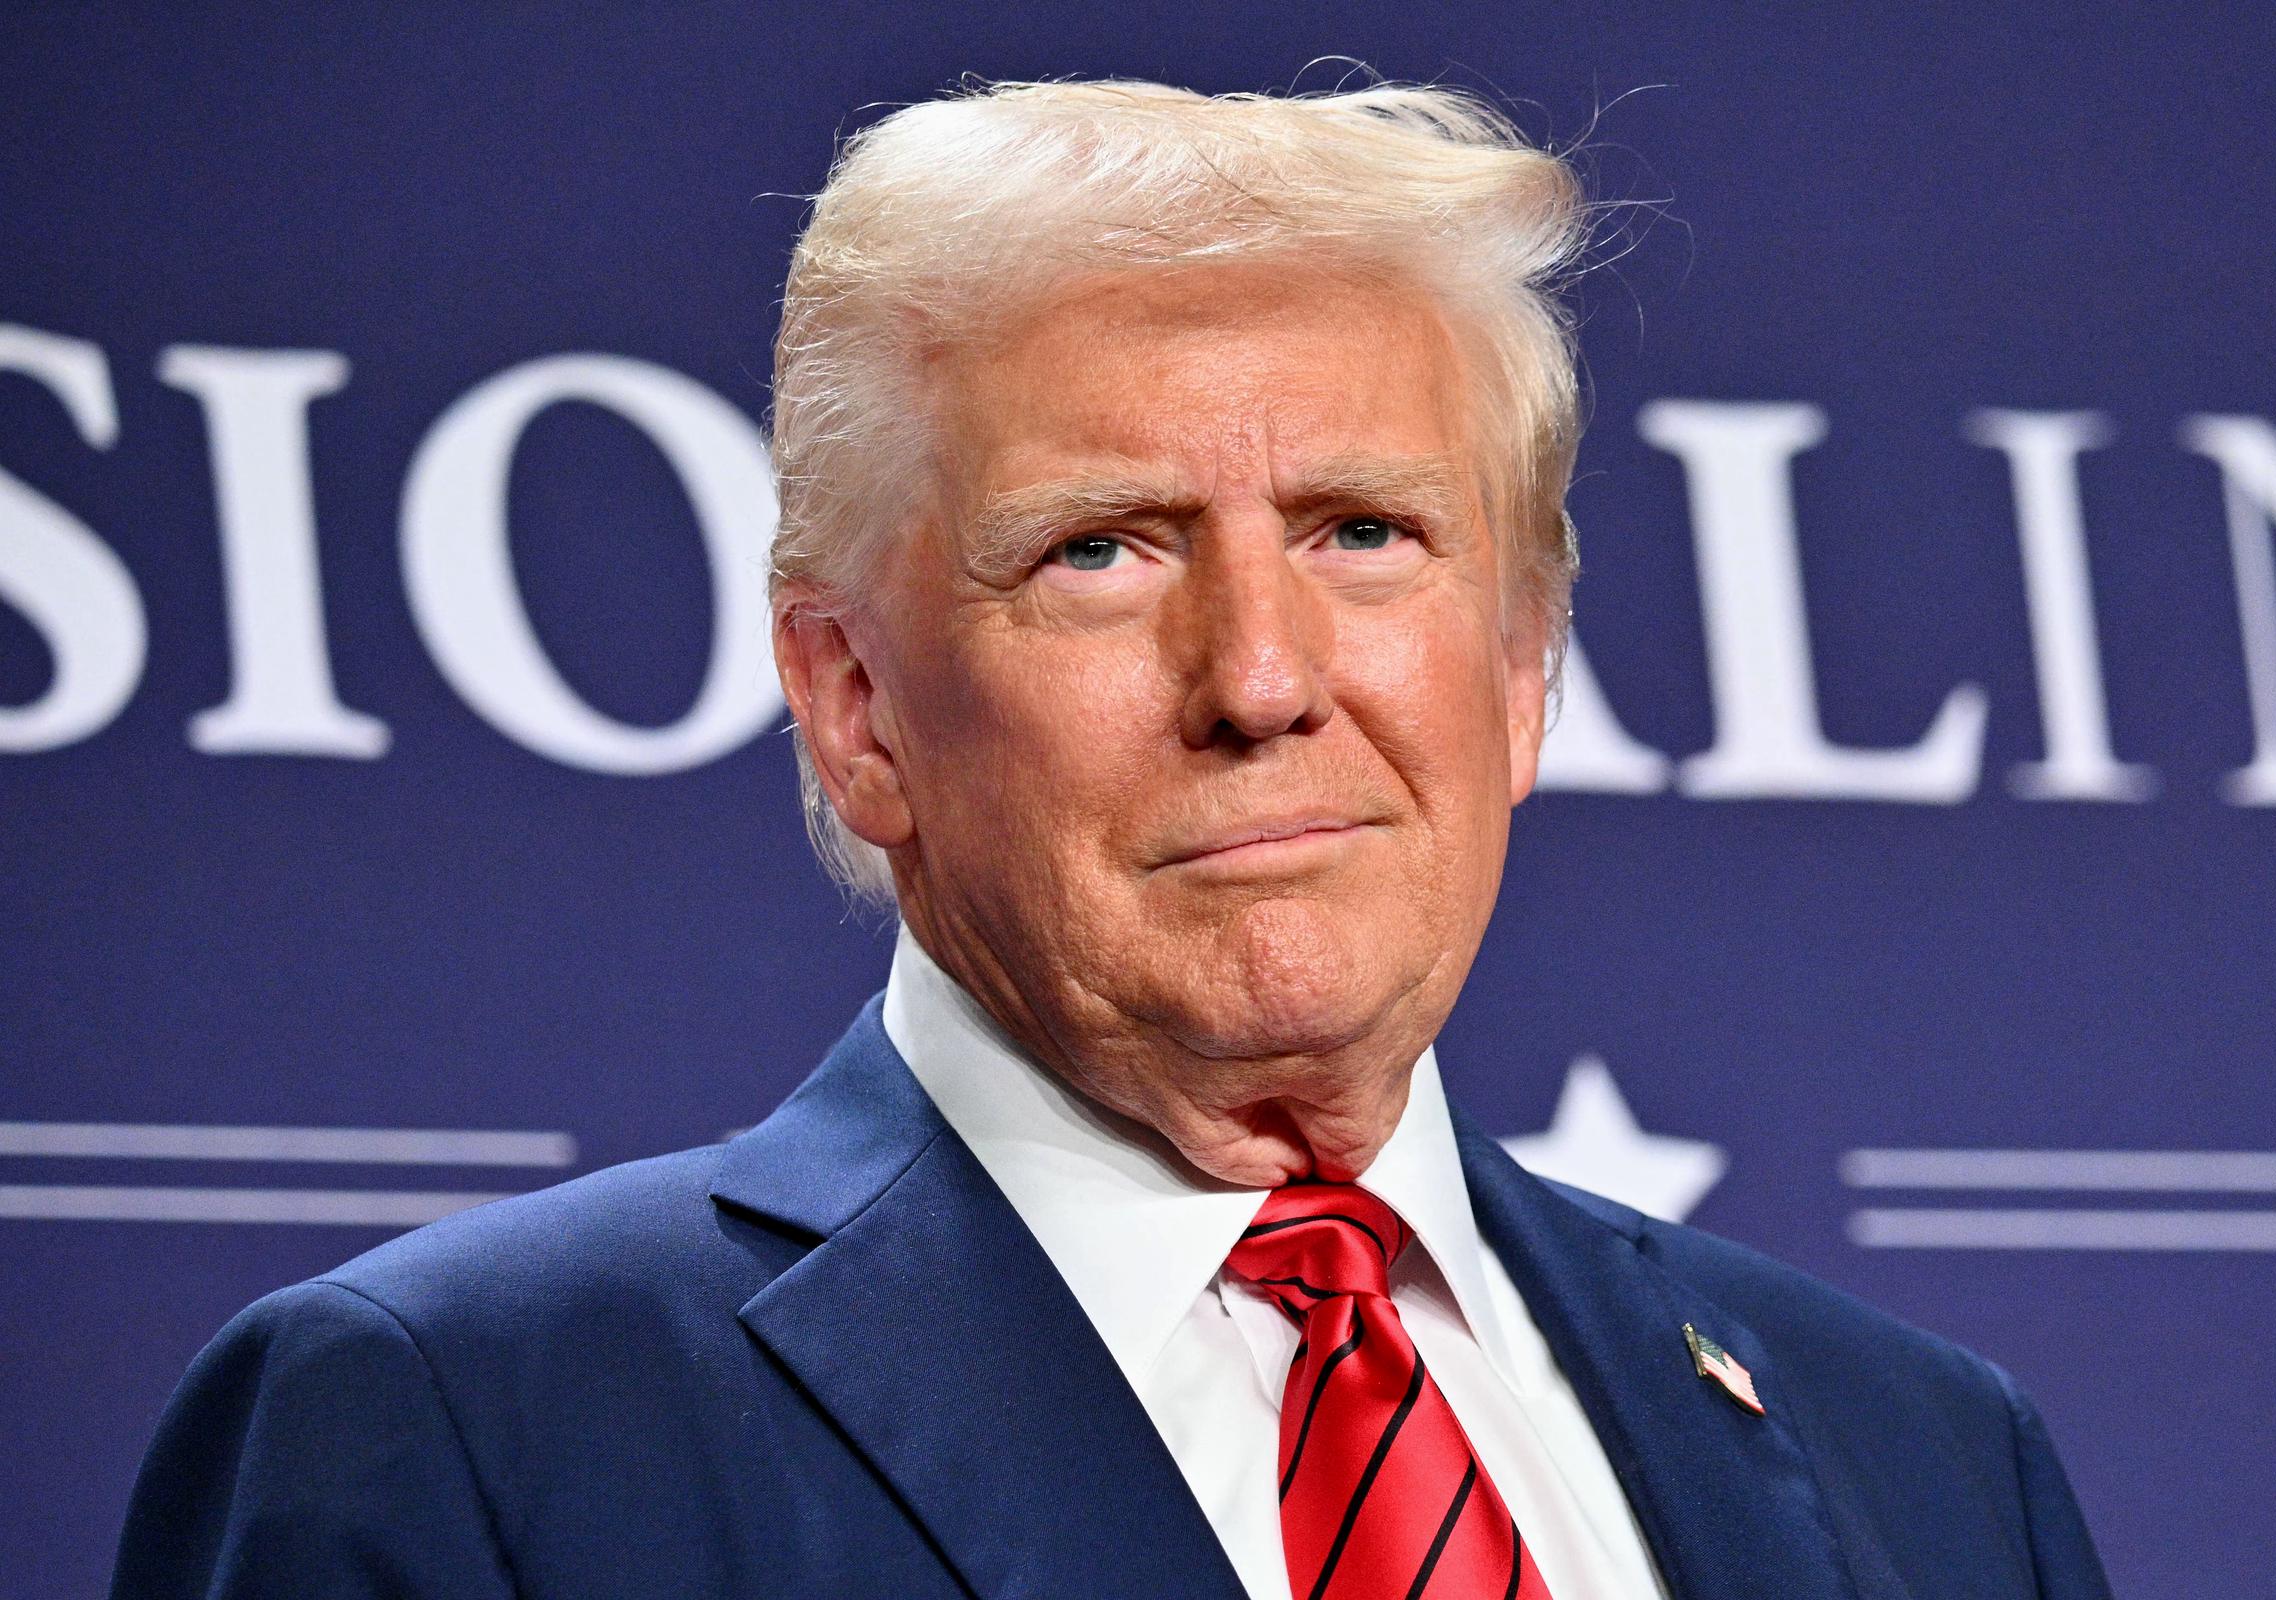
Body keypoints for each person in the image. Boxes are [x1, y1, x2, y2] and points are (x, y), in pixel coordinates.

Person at [112, 79, 2113, 1600]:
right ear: (857, 706)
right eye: (1101, 549)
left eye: (1364, 531)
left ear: (1523, 660)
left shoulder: (1918, 1458)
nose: (1260, 673)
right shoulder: (467, 1426)